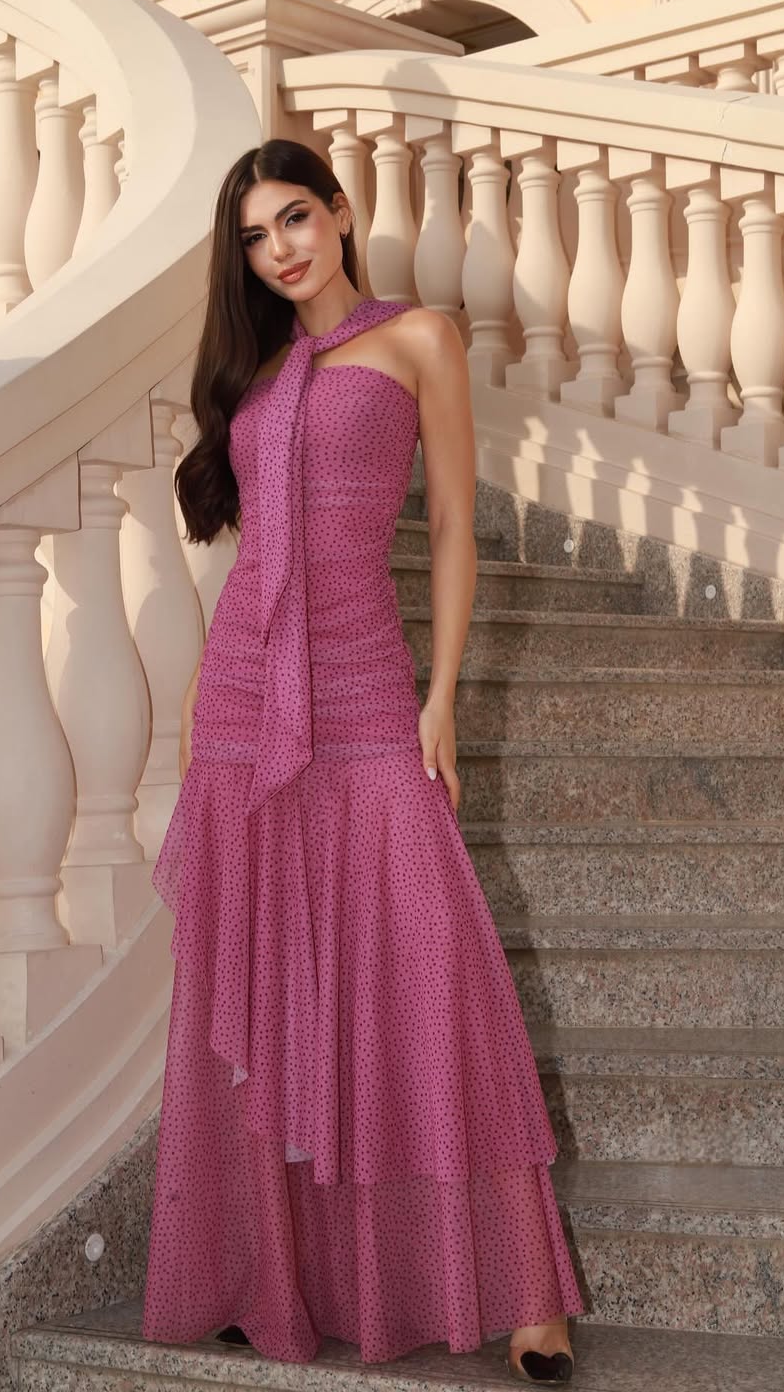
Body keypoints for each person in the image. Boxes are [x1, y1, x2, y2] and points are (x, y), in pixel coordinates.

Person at [140, 137, 585, 1386]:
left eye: (295, 219)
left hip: (366, 683)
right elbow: (245, 556)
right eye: (255, 236)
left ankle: (527, 1290)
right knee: (261, 970)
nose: (279, 249)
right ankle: (266, 1271)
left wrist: (442, 697)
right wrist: (200, 691)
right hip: (242, 694)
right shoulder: (257, 373)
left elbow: (450, 524)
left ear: (341, 214)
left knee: (429, 963)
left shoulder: (418, 338)